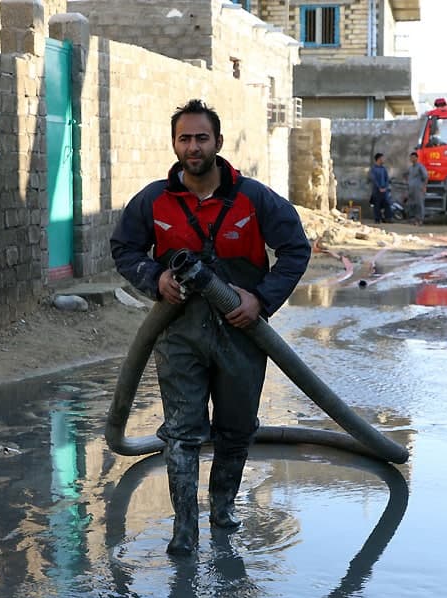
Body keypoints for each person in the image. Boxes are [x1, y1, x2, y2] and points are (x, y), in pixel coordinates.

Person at [110, 99, 311, 556]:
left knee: (237, 427)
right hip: (179, 332)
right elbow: (125, 248)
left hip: (242, 332)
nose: (193, 146)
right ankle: (185, 530)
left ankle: (222, 510)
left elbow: (295, 249)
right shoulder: (153, 201)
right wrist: (154, 278)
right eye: (185, 138)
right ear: (175, 144)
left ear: (218, 143)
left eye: (202, 138)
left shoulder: (254, 198)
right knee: (181, 431)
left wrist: (260, 299)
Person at [369, 153, 393, 223]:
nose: (383, 160)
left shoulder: (384, 169)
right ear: (378, 159)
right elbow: (374, 179)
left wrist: (385, 187)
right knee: (377, 204)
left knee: (387, 203)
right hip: (377, 190)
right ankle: (377, 219)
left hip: (384, 190)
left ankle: (388, 218)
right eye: (382, 158)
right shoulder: (374, 169)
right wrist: (379, 187)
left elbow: (387, 179)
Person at [406, 151, 429, 225]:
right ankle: (413, 220)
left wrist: (424, 187)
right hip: (411, 189)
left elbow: (425, 176)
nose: (412, 159)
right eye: (411, 157)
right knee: (412, 204)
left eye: (413, 157)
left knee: (419, 204)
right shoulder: (410, 168)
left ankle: (420, 220)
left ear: (416, 158)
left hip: (418, 189)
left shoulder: (420, 167)